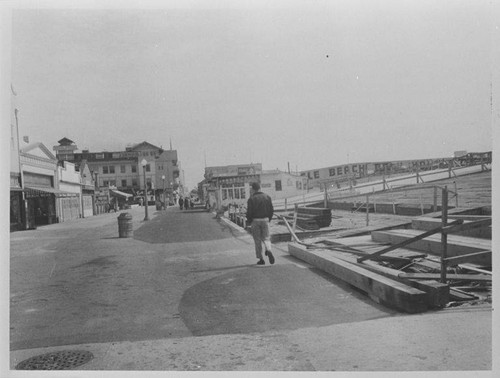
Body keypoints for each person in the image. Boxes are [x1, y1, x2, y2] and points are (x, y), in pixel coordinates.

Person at [246, 182, 274, 265]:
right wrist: (268, 219)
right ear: (260, 188)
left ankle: (261, 259)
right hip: (265, 220)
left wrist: (249, 221)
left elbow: (249, 212)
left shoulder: (251, 199)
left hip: (255, 220)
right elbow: (271, 210)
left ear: (253, 189)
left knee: (257, 240)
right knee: (266, 238)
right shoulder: (267, 197)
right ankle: (268, 250)